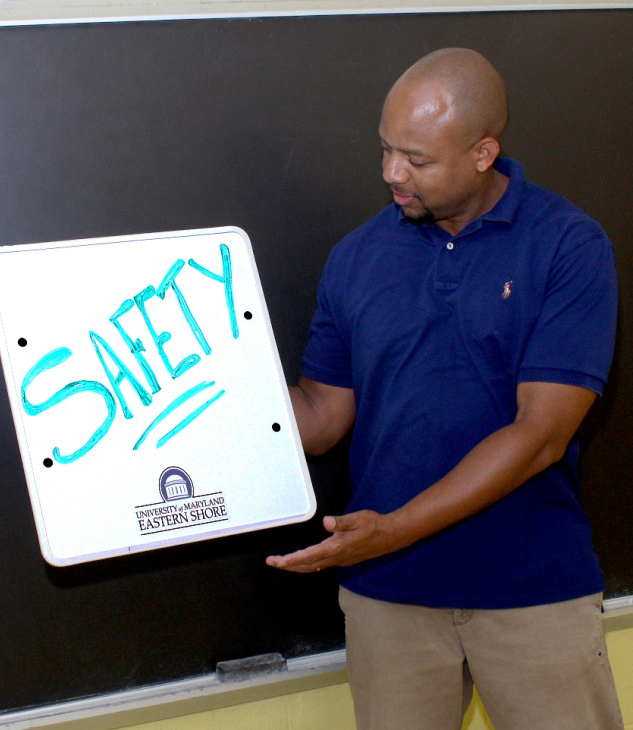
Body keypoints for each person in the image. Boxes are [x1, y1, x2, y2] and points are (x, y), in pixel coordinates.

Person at [266, 48, 623, 729]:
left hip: (531, 590)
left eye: (417, 160)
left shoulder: (568, 246)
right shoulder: (357, 257)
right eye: (385, 150)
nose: (391, 174)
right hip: (389, 599)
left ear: (484, 152)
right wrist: (221, 382)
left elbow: (541, 435)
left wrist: (394, 530)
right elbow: (320, 415)